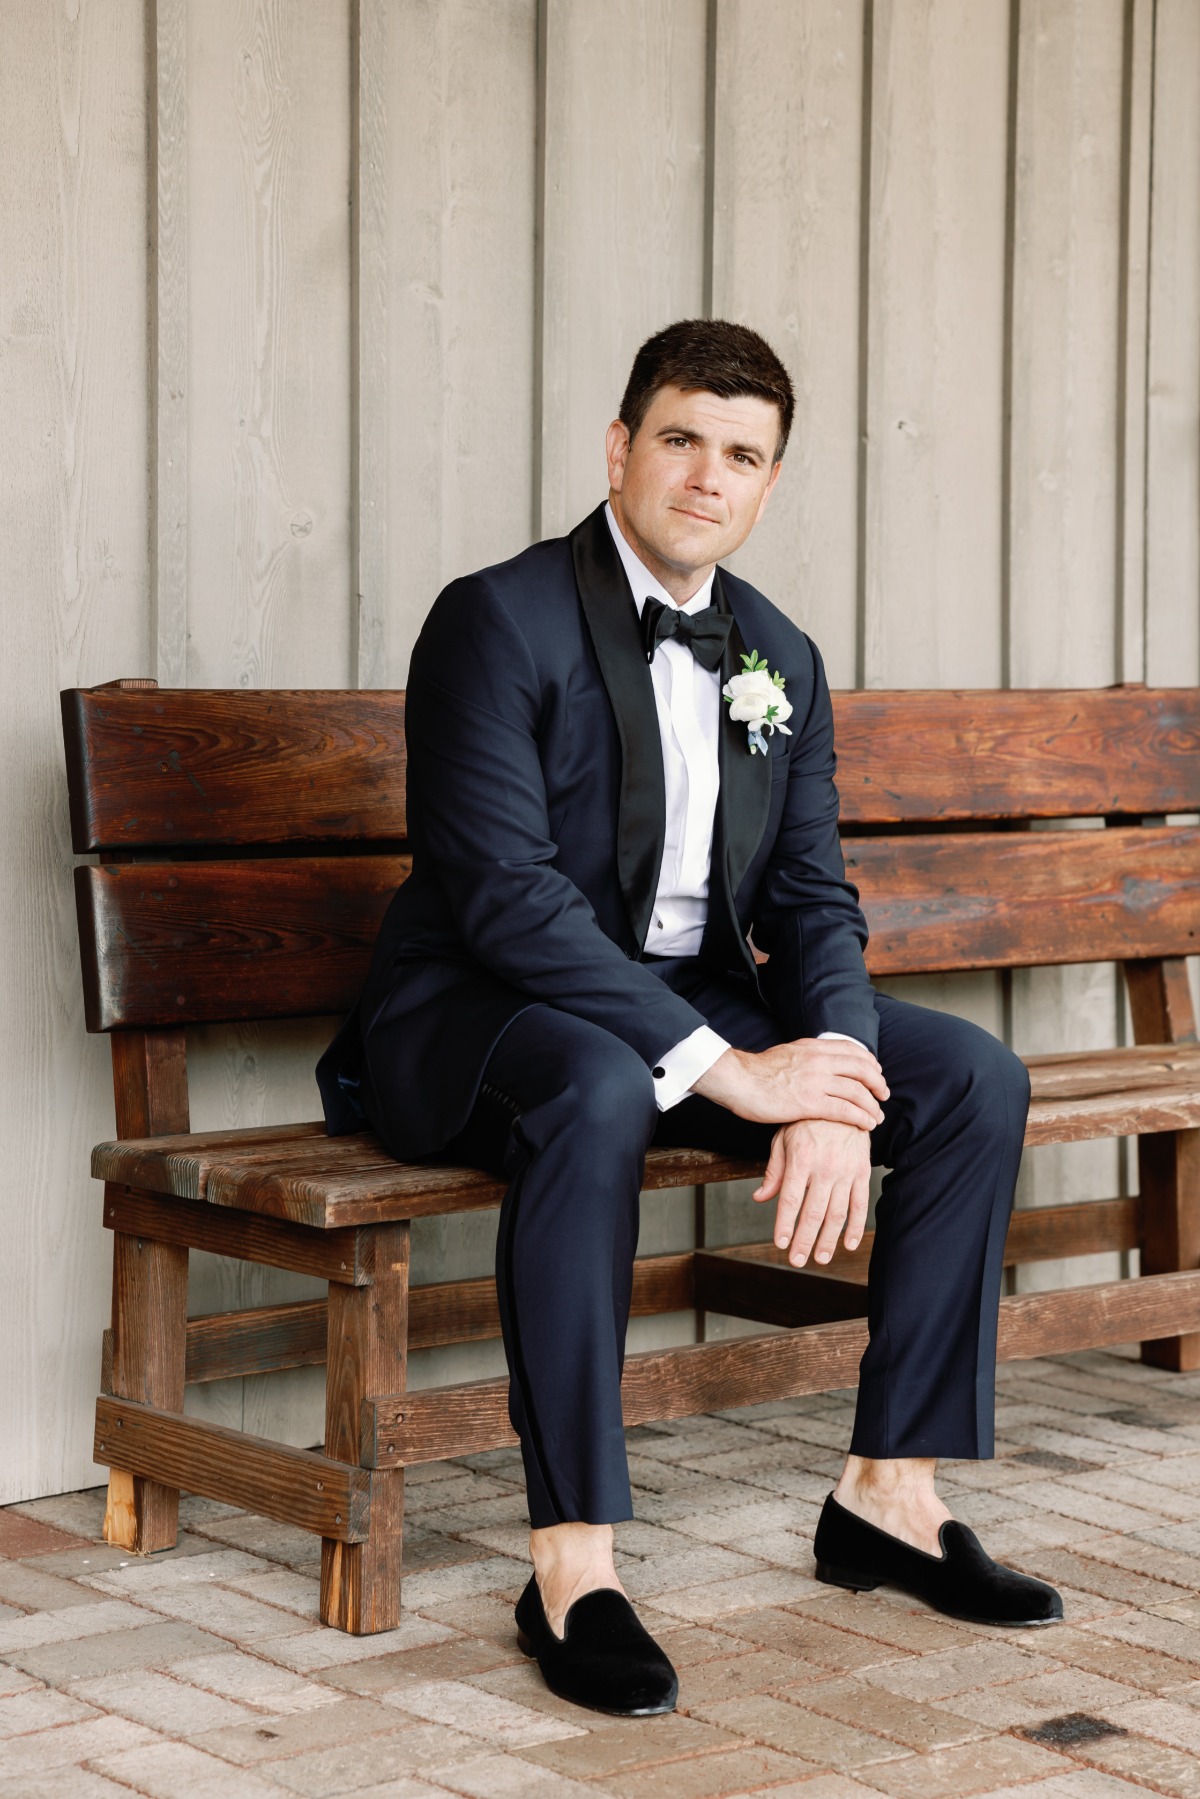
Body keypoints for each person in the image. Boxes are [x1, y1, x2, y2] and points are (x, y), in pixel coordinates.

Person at [317, 318, 1062, 1717]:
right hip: (478, 1013)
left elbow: (810, 896)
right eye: (680, 439)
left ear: (768, 484)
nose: (707, 476)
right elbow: (505, 901)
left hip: (681, 1006)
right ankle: (573, 1570)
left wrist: (832, 1073)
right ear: (619, 448)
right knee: (600, 1085)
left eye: (741, 455)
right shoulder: (496, 617)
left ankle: (890, 1495)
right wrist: (737, 1071)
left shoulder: (778, 651)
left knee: (969, 1079)